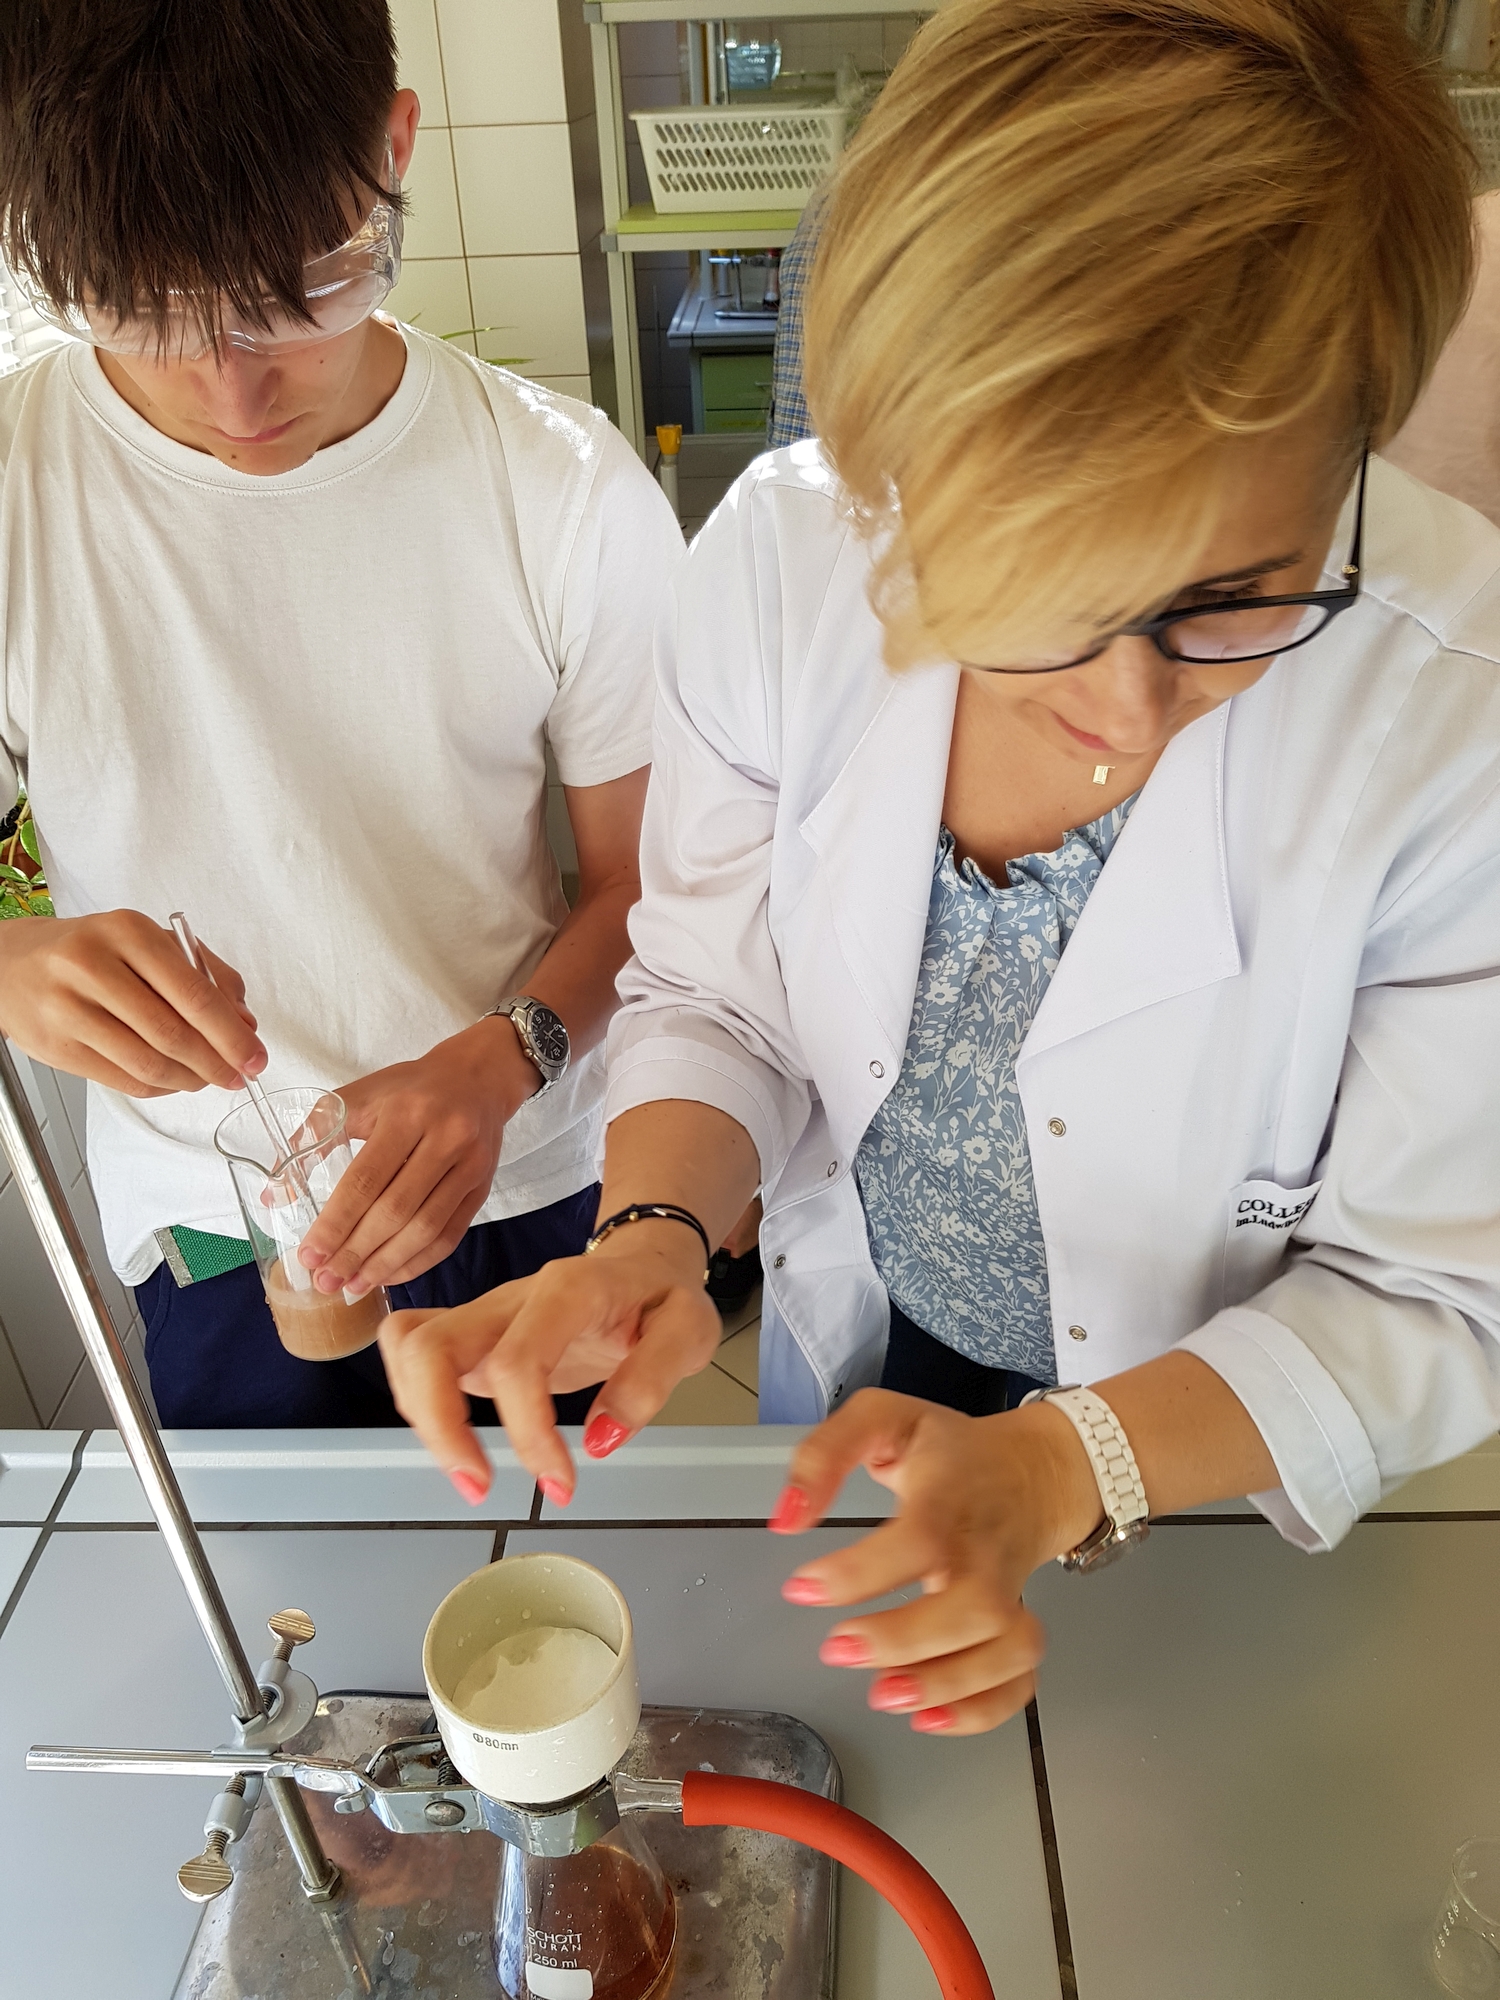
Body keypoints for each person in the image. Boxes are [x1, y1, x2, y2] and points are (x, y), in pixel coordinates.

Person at [382, 0, 1500, 1733]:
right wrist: (655, 1237)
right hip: (884, 1329)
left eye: (1235, 596)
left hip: (1230, 1419)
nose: (1127, 708)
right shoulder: (785, 562)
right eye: (1048, 596)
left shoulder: (1453, 708)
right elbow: (718, 993)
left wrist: (1070, 1462)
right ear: (900, 471)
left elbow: (1434, 1291)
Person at [0, 0, 681, 1429]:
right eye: (148, 314)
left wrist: (505, 1058)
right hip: (212, 1218)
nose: (234, 390)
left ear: (393, 149)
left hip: (517, 1171)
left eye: (302, 289)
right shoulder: (18, 489)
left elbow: (647, 885)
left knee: (560, 1546)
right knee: (282, 1559)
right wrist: (9, 964)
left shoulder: (557, 488)